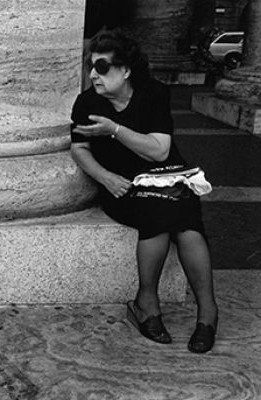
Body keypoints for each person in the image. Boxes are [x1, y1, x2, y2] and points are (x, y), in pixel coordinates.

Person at [70, 29, 218, 353]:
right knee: (162, 215)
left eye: (103, 67)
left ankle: (207, 312)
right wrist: (105, 177)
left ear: (126, 70)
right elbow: (79, 149)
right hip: (121, 183)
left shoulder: (153, 93)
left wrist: (115, 129)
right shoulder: (87, 102)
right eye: (91, 67)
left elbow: (160, 151)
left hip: (165, 173)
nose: (93, 74)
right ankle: (147, 302)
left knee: (186, 220)